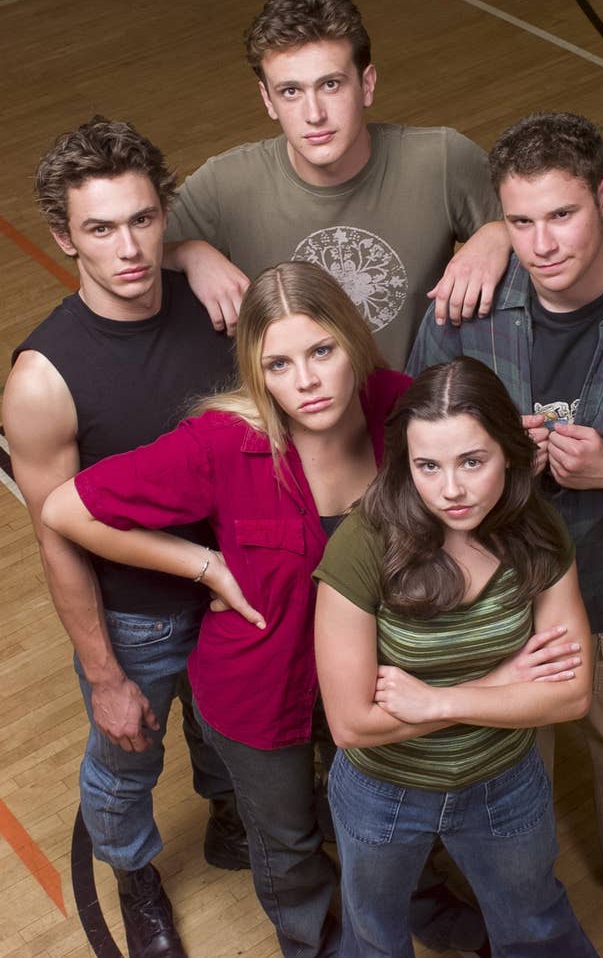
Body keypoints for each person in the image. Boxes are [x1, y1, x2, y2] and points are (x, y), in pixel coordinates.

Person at [41, 262, 502, 958]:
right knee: (287, 844)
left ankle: (423, 907)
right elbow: (66, 507)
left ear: (353, 339)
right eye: (278, 364)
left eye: (321, 351)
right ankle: (312, 943)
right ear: (257, 373)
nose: (307, 381)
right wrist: (204, 565)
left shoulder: (403, 408)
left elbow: (480, 474)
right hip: (259, 691)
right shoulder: (222, 443)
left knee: (396, 819)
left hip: (377, 674)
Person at [407, 111, 603, 958]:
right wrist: (490, 456)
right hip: (490, 589)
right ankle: (511, 898)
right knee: (504, 759)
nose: (541, 244)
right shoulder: (467, 302)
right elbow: (415, 426)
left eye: (562, 215)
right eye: (520, 222)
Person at [2, 117, 248, 958]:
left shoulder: (211, 303)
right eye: (101, 229)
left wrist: (200, 250)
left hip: (234, 587)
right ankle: (135, 873)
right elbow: (58, 538)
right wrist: (104, 673)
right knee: (124, 764)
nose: (130, 247)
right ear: (65, 238)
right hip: (136, 613)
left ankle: (227, 821)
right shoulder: (42, 380)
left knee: (225, 731)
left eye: (144, 220)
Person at [313, 357, 596, 957]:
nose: (451, 489)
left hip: (504, 780)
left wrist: (438, 699)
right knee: (374, 938)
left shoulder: (536, 529)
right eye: (427, 466)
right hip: (383, 792)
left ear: (509, 452)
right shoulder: (363, 544)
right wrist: (504, 683)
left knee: (537, 926)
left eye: (473, 460)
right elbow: (351, 724)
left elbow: (571, 693)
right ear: (404, 464)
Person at [160, 0, 511, 367]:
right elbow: (125, 261)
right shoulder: (225, 185)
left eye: (330, 84)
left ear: (367, 84)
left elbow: (562, 230)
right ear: (267, 100)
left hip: (417, 418)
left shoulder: (441, 160)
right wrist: (188, 253)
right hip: (290, 424)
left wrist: (501, 232)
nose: (314, 114)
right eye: (291, 92)